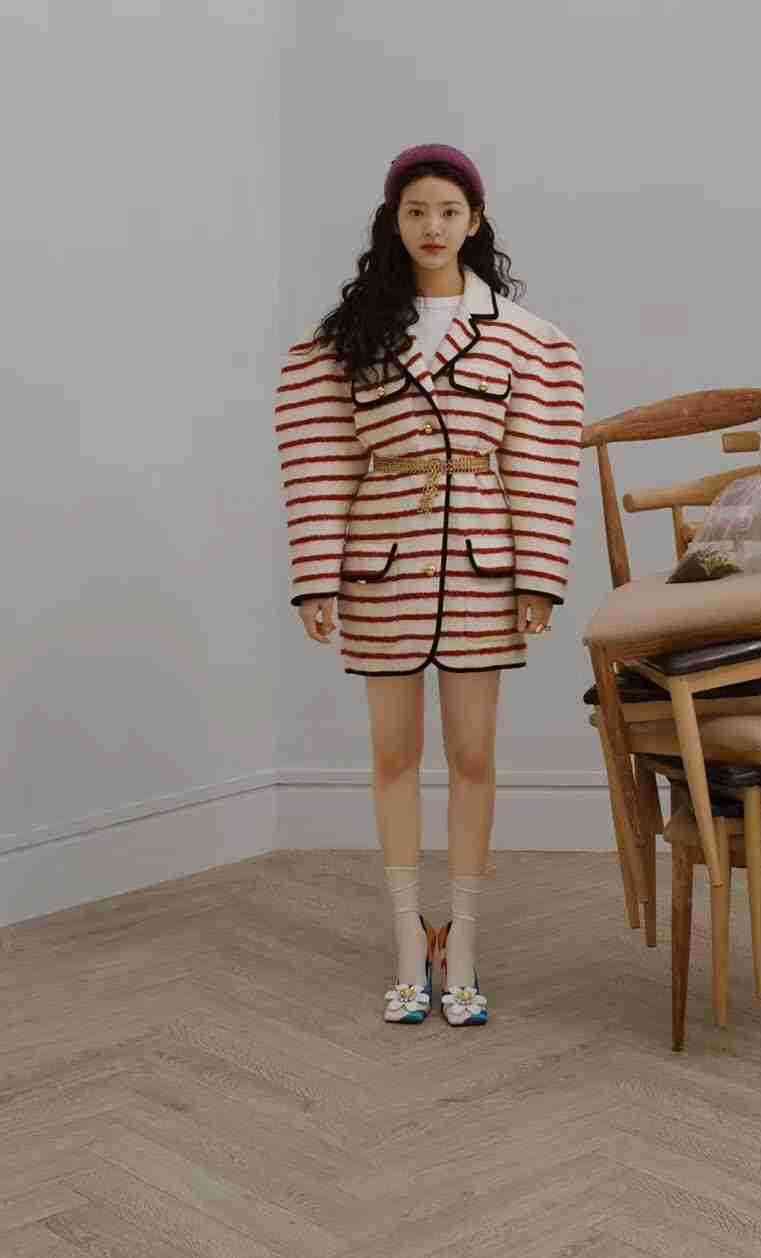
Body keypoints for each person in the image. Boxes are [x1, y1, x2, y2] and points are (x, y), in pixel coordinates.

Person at [273, 143, 585, 1026]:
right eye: (416, 211)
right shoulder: (349, 337)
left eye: (449, 211)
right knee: (393, 757)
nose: (433, 226)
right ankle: (410, 941)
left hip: (484, 564)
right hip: (382, 562)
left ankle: (466, 943)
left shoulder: (524, 339)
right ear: (395, 221)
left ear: (475, 221)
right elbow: (321, 460)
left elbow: (540, 461)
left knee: (475, 758)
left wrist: (539, 574)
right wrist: (316, 578)